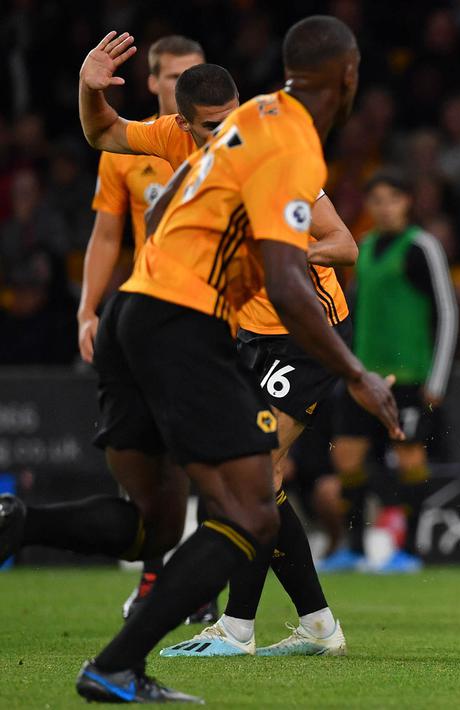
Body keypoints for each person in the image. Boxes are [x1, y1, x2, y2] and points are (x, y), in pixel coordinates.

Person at [0, 18, 401, 703]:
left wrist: (86, 91)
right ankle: (200, 640)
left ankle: (18, 523)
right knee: (250, 506)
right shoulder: (281, 144)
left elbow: (129, 172)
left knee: (155, 523)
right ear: (349, 76)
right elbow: (284, 281)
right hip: (189, 323)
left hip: (138, 312)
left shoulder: (230, 137)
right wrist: (356, 371)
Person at [77, 40, 359, 657]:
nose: (227, 134)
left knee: (254, 474)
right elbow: (102, 133)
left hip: (306, 334)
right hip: (247, 335)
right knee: (252, 479)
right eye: (212, 126)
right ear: (183, 125)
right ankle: (318, 627)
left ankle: (238, 629)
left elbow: (343, 244)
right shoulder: (170, 140)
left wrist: (283, 250)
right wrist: (88, 86)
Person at [73, 32, 217, 625]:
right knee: (153, 451)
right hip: (150, 314)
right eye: (176, 76)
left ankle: (195, 582)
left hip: (212, 314)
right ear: (154, 82)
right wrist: (88, 308)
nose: (188, 84)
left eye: (197, 73)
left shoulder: (222, 140)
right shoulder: (133, 148)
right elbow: (108, 233)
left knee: (203, 453)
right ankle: (164, 576)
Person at [321, 172, 457, 574]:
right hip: (363, 375)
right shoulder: (362, 246)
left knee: (410, 458)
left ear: (408, 202)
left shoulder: (421, 246)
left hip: (409, 375)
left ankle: (409, 550)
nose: (384, 207)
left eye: (392, 198)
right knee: (347, 458)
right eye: (376, 200)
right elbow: (352, 309)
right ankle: (355, 549)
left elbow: (447, 311)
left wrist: (437, 379)